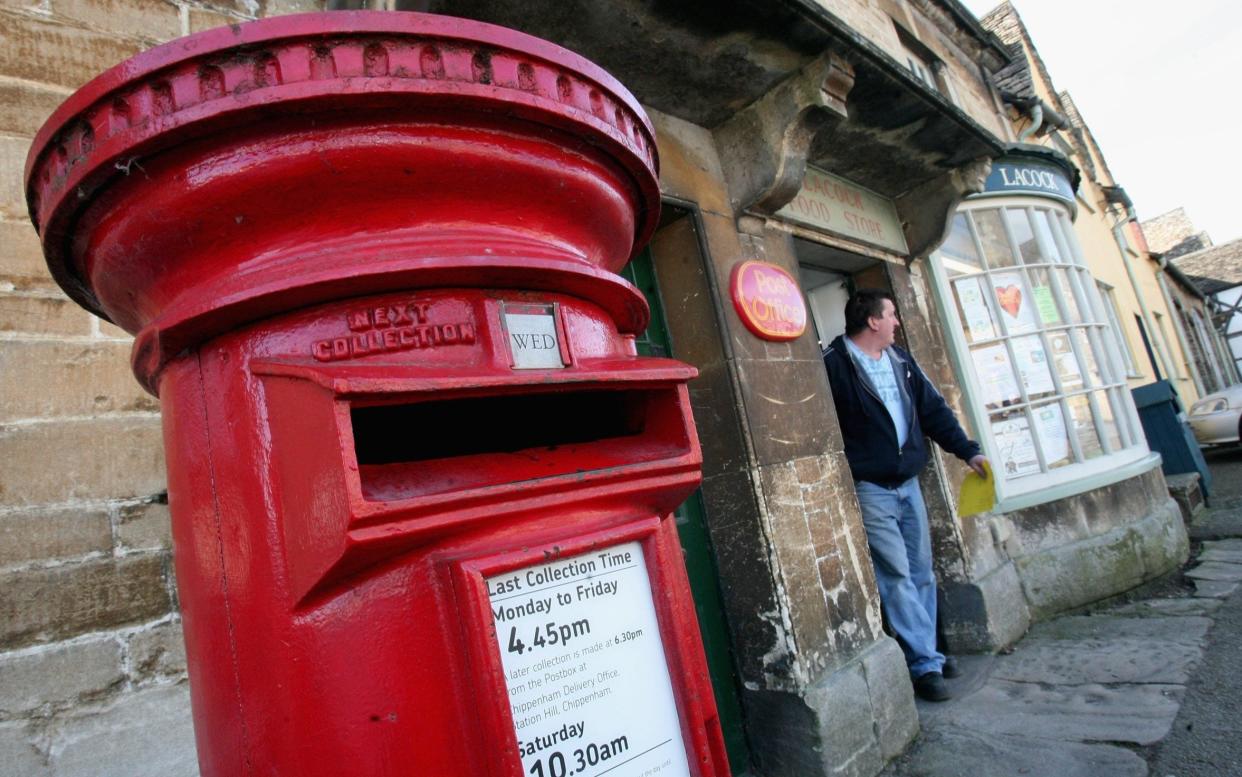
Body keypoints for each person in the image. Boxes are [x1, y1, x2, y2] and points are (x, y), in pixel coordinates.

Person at [822, 288, 987, 702]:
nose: (897, 321)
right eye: (891, 314)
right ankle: (925, 665)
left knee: (921, 573)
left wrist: (968, 451)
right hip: (873, 489)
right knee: (896, 576)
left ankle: (928, 650)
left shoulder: (902, 362)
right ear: (872, 320)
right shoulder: (833, 366)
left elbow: (933, 412)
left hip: (909, 485)